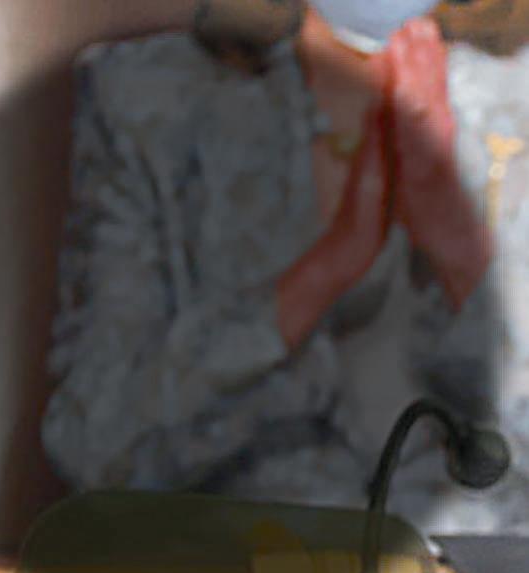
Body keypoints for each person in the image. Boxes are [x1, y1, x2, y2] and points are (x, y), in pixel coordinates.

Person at [41, 6, 509, 536]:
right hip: (238, 563)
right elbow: (96, 446)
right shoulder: (146, 101)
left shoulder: (508, 101)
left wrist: (453, 242)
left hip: (482, 568)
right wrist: (320, 275)